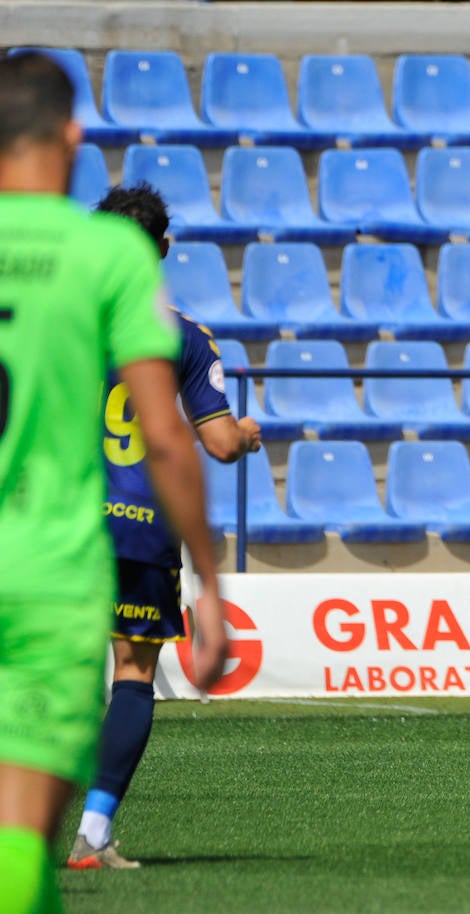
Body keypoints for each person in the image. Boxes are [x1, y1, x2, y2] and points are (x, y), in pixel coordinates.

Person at [0, 52, 227, 914]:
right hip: (57, 554)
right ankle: (89, 838)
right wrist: (209, 578)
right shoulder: (106, 262)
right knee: (27, 819)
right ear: (70, 135)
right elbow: (169, 437)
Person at [66, 185, 261, 870]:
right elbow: (214, 444)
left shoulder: (50, 320)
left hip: (55, 521)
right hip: (141, 525)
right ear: (164, 250)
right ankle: (93, 832)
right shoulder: (182, 335)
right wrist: (243, 433)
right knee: (132, 673)